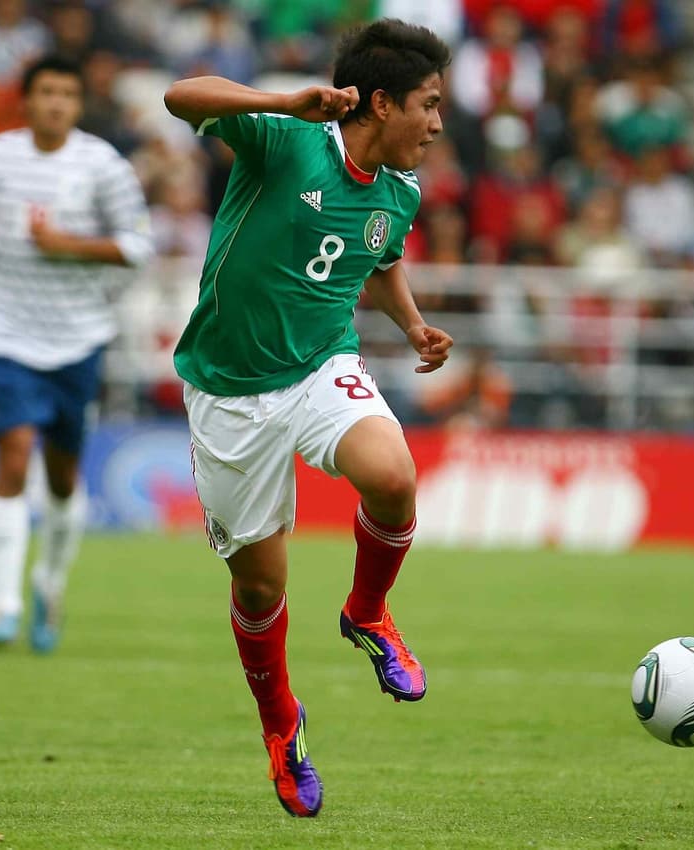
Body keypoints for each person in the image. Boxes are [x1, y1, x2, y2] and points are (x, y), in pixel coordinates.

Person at [162, 19, 453, 818]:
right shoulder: (288, 140)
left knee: (393, 476)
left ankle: (368, 613)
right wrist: (284, 101)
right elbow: (181, 95)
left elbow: (377, 256)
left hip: (323, 364)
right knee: (261, 586)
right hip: (229, 389)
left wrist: (412, 324)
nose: (437, 123)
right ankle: (281, 725)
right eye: (429, 105)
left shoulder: (401, 191)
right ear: (382, 103)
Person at [0, 55, 154, 653]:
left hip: (78, 338)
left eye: (66, 93)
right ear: (27, 101)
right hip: (6, 332)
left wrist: (67, 245)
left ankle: (49, 583)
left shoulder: (103, 165)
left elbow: (138, 246)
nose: (56, 103)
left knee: (63, 477)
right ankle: (3, 603)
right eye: (46, 92)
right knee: (12, 456)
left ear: (78, 104)